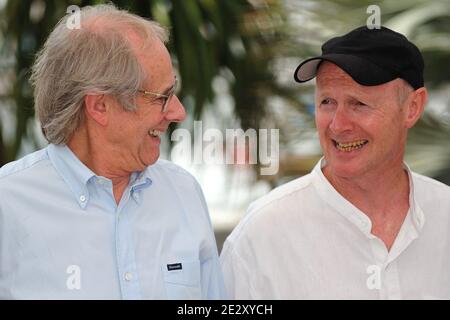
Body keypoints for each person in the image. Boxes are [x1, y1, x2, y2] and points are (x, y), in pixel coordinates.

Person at [0, 4, 226, 299]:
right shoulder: (8, 205)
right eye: (163, 97)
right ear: (100, 106)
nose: (178, 112)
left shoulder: (184, 193)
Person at [220, 26, 450, 299]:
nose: (338, 125)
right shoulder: (261, 235)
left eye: (359, 104)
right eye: (327, 102)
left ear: (412, 108)